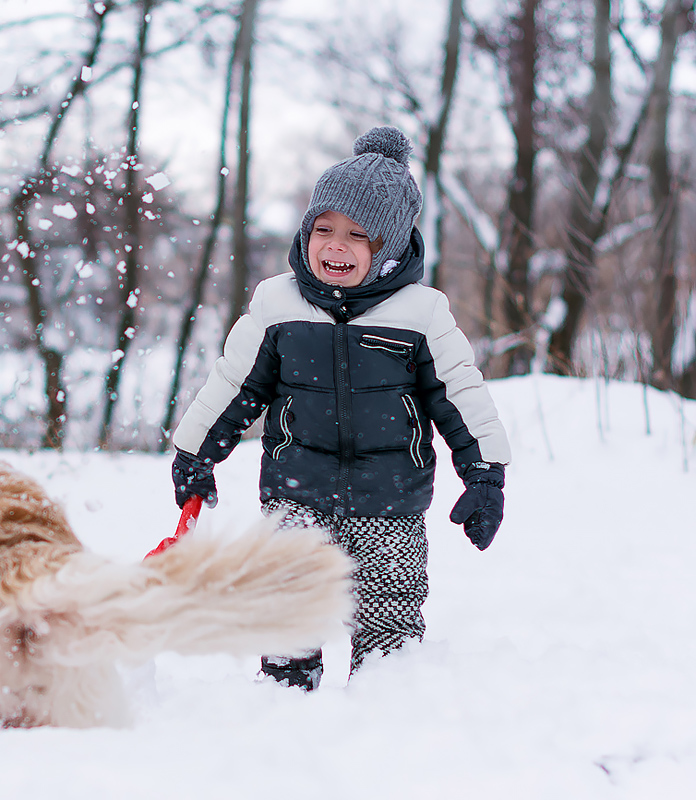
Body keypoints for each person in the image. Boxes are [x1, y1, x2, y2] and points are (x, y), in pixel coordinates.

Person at [170, 125, 511, 690]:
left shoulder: (421, 313)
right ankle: (281, 705)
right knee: (285, 611)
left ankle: (382, 712)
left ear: (390, 248)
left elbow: (461, 394)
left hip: (391, 503)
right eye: (323, 229)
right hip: (296, 494)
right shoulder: (278, 303)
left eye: (358, 236)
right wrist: (195, 453)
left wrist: (483, 474)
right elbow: (236, 384)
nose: (334, 245)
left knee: (389, 625)